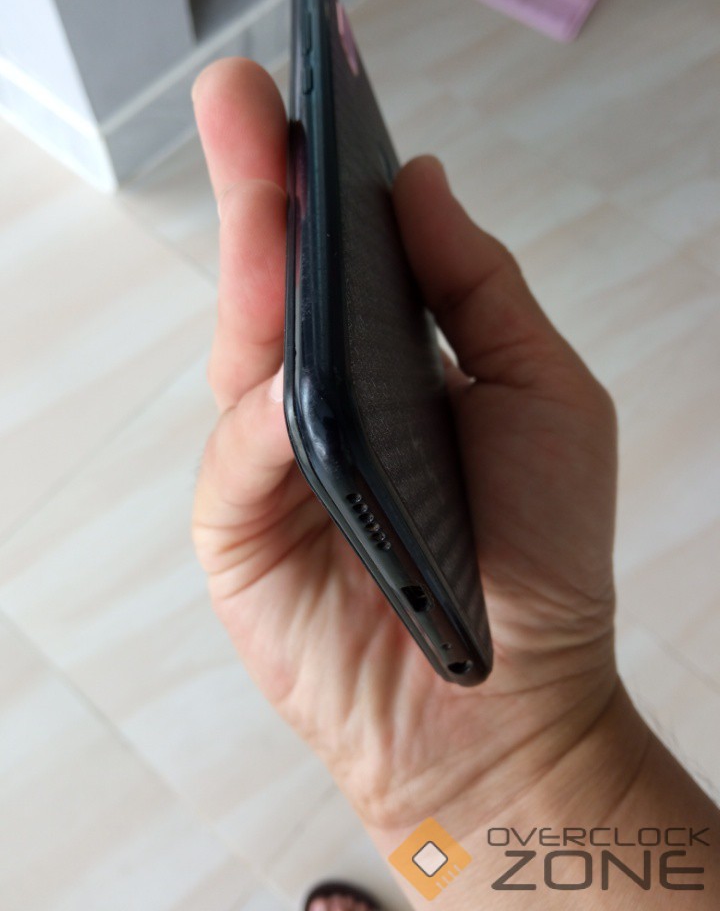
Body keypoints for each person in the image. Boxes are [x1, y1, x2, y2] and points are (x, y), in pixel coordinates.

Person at [190, 57, 719, 910]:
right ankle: (437, 868)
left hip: (460, 817)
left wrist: (532, 757)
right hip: (463, 817)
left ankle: (435, 868)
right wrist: (536, 760)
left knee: (316, 396)